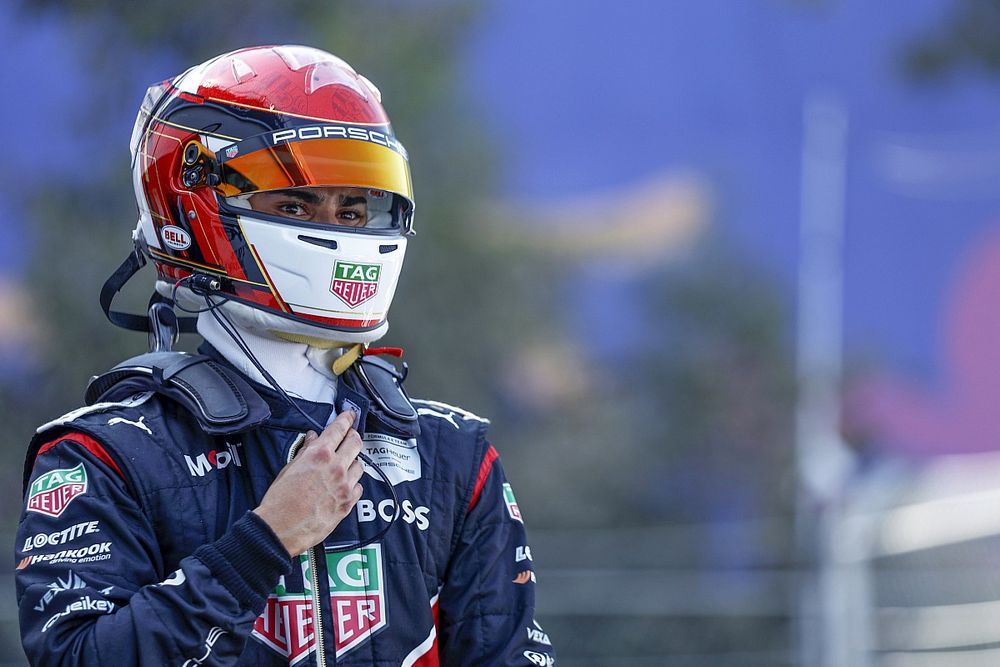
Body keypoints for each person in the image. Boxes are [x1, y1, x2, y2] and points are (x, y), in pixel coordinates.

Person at [15, 45, 555, 666]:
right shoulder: (107, 455)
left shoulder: (452, 454)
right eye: (294, 204)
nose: (340, 231)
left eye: (353, 209)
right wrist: (264, 542)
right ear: (193, 209)